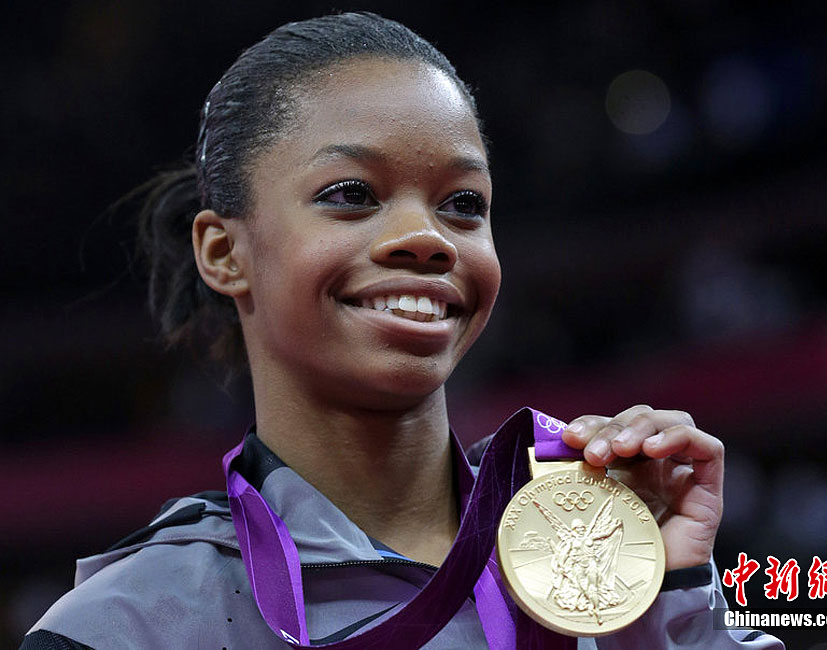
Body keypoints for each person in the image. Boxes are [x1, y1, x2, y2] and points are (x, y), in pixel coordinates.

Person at [22, 12, 783, 649]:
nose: (428, 238)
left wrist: (670, 601)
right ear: (225, 252)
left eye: (463, 204)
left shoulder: (599, 562)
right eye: (351, 194)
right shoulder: (126, 626)